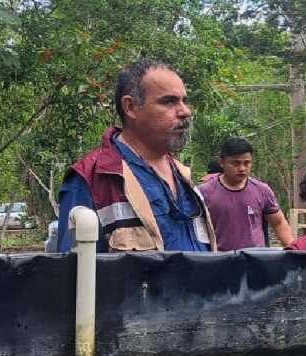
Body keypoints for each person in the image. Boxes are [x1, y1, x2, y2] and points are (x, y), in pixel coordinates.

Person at [56, 59, 215, 252]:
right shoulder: (91, 180)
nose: (185, 111)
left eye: (184, 100)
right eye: (169, 101)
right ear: (130, 107)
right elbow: (72, 276)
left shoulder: (183, 177)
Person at [200, 137, 294, 250]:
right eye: (236, 163)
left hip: (255, 260)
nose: (242, 168)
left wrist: (293, 251)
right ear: (221, 162)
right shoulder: (204, 192)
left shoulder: (262, 190)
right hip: (220, 260)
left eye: (247, 163)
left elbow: (278, 223)